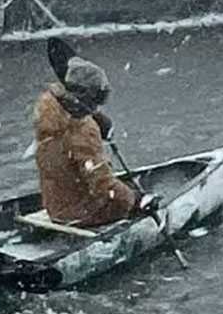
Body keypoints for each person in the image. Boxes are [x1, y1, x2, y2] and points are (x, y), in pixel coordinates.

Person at [33, 58, 156, 228]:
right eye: (98, 98)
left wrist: (95, 116)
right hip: (82, 214)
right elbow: (102, 184)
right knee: (125, 196)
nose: (99, 103)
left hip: (56, 207)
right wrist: (135, 200)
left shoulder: (50, 113)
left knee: (119, 186)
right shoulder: (82, 129)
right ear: (88, 95)